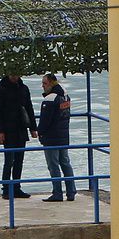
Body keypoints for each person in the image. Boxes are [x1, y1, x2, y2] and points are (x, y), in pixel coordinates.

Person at [0, 74, 38, 199]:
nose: (14, 77)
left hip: (21, 128)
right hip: (7, 130)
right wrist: (0, 131)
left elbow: (29, 108)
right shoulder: (1, 89)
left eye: (16, 74)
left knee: (19, 160)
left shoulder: (24, 88)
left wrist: (33, 128)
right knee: (9, 161)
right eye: (12, 74)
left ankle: (17, 187)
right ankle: (6, 189)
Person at [37, 74, 76, 202]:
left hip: (51, 138)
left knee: (53, 165)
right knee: (65, 163)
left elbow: (45, 121)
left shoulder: (50, 99)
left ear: (52, 83)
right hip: (63, 136)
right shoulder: (65, 96)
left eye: (45, 83)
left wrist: (40, 133)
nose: (42, 86)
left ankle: (57, 193)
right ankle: (71, 191)